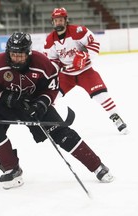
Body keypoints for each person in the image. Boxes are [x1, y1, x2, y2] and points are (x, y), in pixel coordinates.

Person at [0, 32, 114, 190]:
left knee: (62, 133)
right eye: (13, 55)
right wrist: (8, 98)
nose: (16, 59)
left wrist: (41, 104)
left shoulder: (43, 63)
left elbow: (52, 88)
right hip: (6, 103)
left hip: (33, 103)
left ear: (28, 53)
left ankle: (97, 166)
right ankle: (12, 169)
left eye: (21, 55)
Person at [44, 7, 128, 135]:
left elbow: (94, 43)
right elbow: (52, 60)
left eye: (61, 20)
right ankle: (49, 123)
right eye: (56, 20)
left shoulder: (78, 31)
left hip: (86, 71)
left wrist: (85, 54)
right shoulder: (50, 40)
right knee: (51, 97)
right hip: (66, 75)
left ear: (66, 20)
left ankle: (117, 118)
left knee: (102, 96)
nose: (58, 23)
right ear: (52, 22)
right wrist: (58, 69)